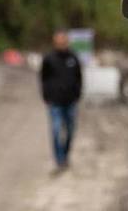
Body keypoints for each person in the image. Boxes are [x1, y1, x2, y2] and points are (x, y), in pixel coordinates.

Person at [40, 30, 82, 173]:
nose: (61, 44)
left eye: (63, 42)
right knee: (56, 131)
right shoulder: (49, 59)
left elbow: (79, 77)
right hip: (55, 102)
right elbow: (43, 78)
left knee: (70, 131)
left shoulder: (73, 58)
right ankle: (60, 160)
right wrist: (46, 96)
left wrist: (77, 95)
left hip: (70, 101)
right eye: (58, 42)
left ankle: (65, 154)